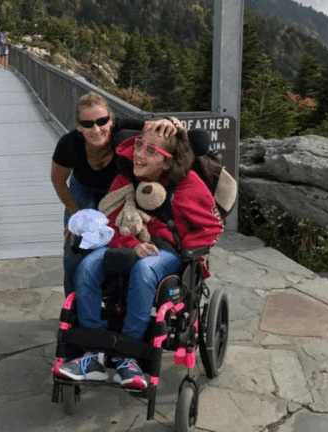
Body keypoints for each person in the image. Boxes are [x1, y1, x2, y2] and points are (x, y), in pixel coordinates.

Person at [54, 126, 225, 389]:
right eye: (138, 146)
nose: (138, 154)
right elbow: (109, 224)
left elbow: (211, 226)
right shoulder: (125, 180)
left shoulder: (188, 184)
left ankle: (128, 356)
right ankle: (93, 353)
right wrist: (132, 244)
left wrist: (183, 248)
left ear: (168, 161)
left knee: (144, 271)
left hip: (167, 252)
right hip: (125, 244)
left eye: (150, 150)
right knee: (87, 266)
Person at [51, 92, 178, 296]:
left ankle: (114, 298)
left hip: (117, 190)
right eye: (88, 123)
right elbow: (58, 181)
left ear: (112, 120)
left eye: (102, 121)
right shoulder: (69, 145)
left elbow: (156, 127)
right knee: (75, 249)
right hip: (82, 191)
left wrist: (169, 122)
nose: (96, 129)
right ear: (78, 127)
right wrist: (74, 213)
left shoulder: (122, 129)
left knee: (119, 240)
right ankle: (73, 309)